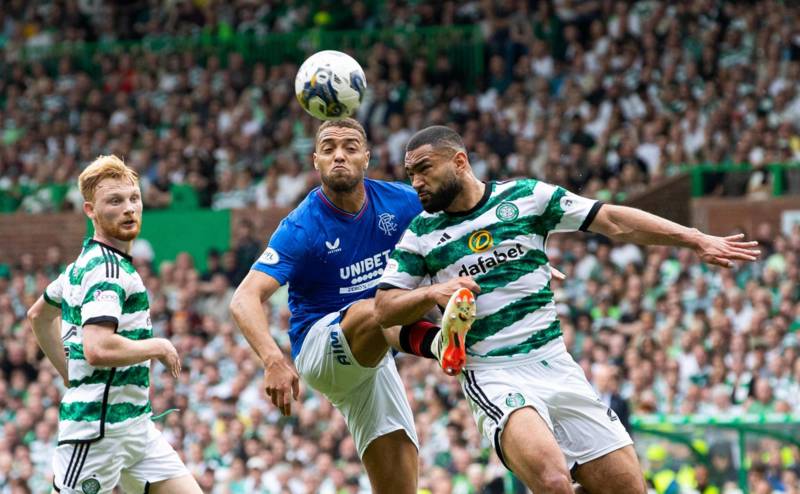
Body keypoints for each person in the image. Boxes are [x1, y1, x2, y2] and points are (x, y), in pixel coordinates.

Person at [374, 126, 760, 494]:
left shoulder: (526, 197)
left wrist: (694, 238)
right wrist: (434, 292)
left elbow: (612, 220)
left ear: (459, 161)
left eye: (424, 169)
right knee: (554, 483)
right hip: (492, 372)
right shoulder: (420, 235)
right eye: (410, 174)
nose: (416, 183)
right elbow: (384, 308)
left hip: (556, 364)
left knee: (626, 487)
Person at [230, 118, 465, 493]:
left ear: (367, 158)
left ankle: (439, 339)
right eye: (329, 148)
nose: (339, 155)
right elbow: (243, 298)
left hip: (375, 353)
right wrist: (273, 360)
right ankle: (439, 343)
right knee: (371, 307)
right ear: (316, 162)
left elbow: (460, 221)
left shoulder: (400, 202)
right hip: (321, 347)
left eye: (350, 147)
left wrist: (502, 255)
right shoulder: (302, 226)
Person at [27, 155, 202, 494]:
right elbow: (98, 347)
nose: (129, 208)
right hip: (96, 434)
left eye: (134, 198)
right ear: (90, 210)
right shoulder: (106, 271)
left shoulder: (83, 263)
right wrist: (159, 346)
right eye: (115, 201)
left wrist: (68, 372)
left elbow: (39, 315)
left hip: (136, 427)